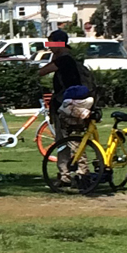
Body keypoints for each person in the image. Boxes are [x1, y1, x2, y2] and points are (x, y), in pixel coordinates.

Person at [38, 29, 84, 184]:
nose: (49, 47)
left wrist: (56, 54)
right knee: (62, 141)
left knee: (71, 140)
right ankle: (64, 174)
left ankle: (82, 172)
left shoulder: (64, 60)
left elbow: (43, 71)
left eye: (52, 44)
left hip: (68, 106)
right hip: (63, 105)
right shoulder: (64, 59)